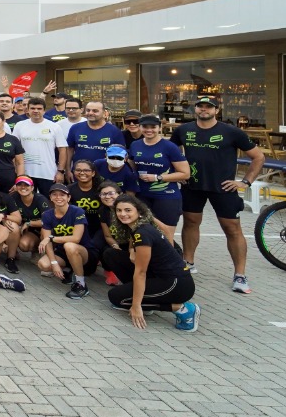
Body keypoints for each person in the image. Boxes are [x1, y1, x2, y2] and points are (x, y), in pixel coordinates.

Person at [172, 95, 264, 292]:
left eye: (208, 107)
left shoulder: (231, 132)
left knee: (232, 229)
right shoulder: (183, 130)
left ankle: (240, 275)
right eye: (200, 106)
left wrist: (245, 182)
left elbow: (258, 157)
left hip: (224, 188)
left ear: (216, 110)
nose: (204, 109)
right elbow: (171, 153)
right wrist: (177, 174)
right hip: (192, 186)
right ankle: (188, 263)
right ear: (195, 109)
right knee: (190, 223)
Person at [101, 195, 199, 331]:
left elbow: (140, 272)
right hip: (162, 276)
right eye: (119, 210)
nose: (123, 214)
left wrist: (136, 305)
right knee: (111, 254)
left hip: (177, 284)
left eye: (128, 210)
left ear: (139, 211)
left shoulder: (142, 234)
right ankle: (146, 299)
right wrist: (132, 250)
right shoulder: (139, 227)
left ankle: (183, 309)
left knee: (117, 298)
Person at [129, 113, 189, 240]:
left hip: (166, 196)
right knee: (142, 232)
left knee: (166, 235)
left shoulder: (169, 147)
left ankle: (170, 259)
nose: (149, 130)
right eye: (145, 126)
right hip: (142, 196)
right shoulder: (135, 145)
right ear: (140, 127)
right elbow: (132, 168)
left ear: (160, 128)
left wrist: (158, 178)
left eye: (153, 127)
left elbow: (185, 173)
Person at [37, 183, 95, 299]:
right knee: (43, 264)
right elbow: (47, 241)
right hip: (63, 252)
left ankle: (81, 283)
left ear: (68, 197)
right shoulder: (47, 215)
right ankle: (70, 270)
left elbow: (76, 238)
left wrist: (51, 238)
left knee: (70, 246)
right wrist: (54, 264)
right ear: (51, 198)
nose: (58, 197)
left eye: (62, 195)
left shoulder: (77, 211)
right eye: (55, 194)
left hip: (85, 253)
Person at [12, 96, 63, 196]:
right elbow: (14, 149)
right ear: (28, 110)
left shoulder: (54, 126)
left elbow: (63, 150)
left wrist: (60, 171)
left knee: (49, 202)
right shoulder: (19, 125)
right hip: (25, 173)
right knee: (25, 201)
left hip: (48, 173)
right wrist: (15, 169)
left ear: (44, 111)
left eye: (39, 109)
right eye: (33, 108)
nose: (36, 111)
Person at [61, 101, 126, 173]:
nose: (90, 113)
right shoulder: (75, 128)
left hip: (104, 173)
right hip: (80, 173)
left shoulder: (114, 131)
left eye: (95, 111)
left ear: (104, 113)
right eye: (88, 110)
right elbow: (69, 150)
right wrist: (68, 170)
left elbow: (121, 154)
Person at [9, 175, 50, 267]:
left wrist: (29, 223)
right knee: (10, 224)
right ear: (16, 187)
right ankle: (12, 250)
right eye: (20, 185)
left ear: (32, 188)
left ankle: (39, 252)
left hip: (41, 230)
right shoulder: (13, 197)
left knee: (25, 244)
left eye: (26, 185)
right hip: (24, 228)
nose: (23, 187)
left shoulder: (40, 199)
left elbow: (48, 221)